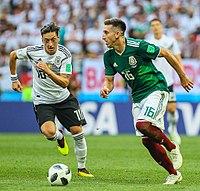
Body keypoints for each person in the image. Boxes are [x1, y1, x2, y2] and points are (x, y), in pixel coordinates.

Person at [100, 18, 193, 184]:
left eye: (106, 32)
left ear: (118, 34)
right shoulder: (108, 56)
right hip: (137, 96)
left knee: (142, 124)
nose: (103, 36)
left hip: (155, 89)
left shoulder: (137, 46)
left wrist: (183, 76)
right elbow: (109, 80)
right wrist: (106, 88)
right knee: (147, 141)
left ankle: (172, 146)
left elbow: (165, 53)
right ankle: (173, 174)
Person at [9, 22, 93, 177]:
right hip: (42, 100)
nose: (50, 43)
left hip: (63, 98)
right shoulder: (33, 51)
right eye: (46, 40)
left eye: (53, 39)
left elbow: (64, 83)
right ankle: (60, 137)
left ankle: (82, 168)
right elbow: (13, 55)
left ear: (58, 38)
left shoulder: (65, 54)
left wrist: (47, 70)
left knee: (77, 131)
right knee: (49, 133)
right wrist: (14, 79)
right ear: (42, 40)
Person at [146, 18, 182, 145]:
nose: (155, 27)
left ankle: (173, 128)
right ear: (151, 28)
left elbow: (177, 57)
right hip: (153, 81)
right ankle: (158, 136)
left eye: (157, 25)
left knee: (171, 109)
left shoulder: (170, 41)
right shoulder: (147, 42)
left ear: (161, 26)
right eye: (153, 25)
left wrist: (181, 74)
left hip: (168, 80)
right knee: (157, 110)